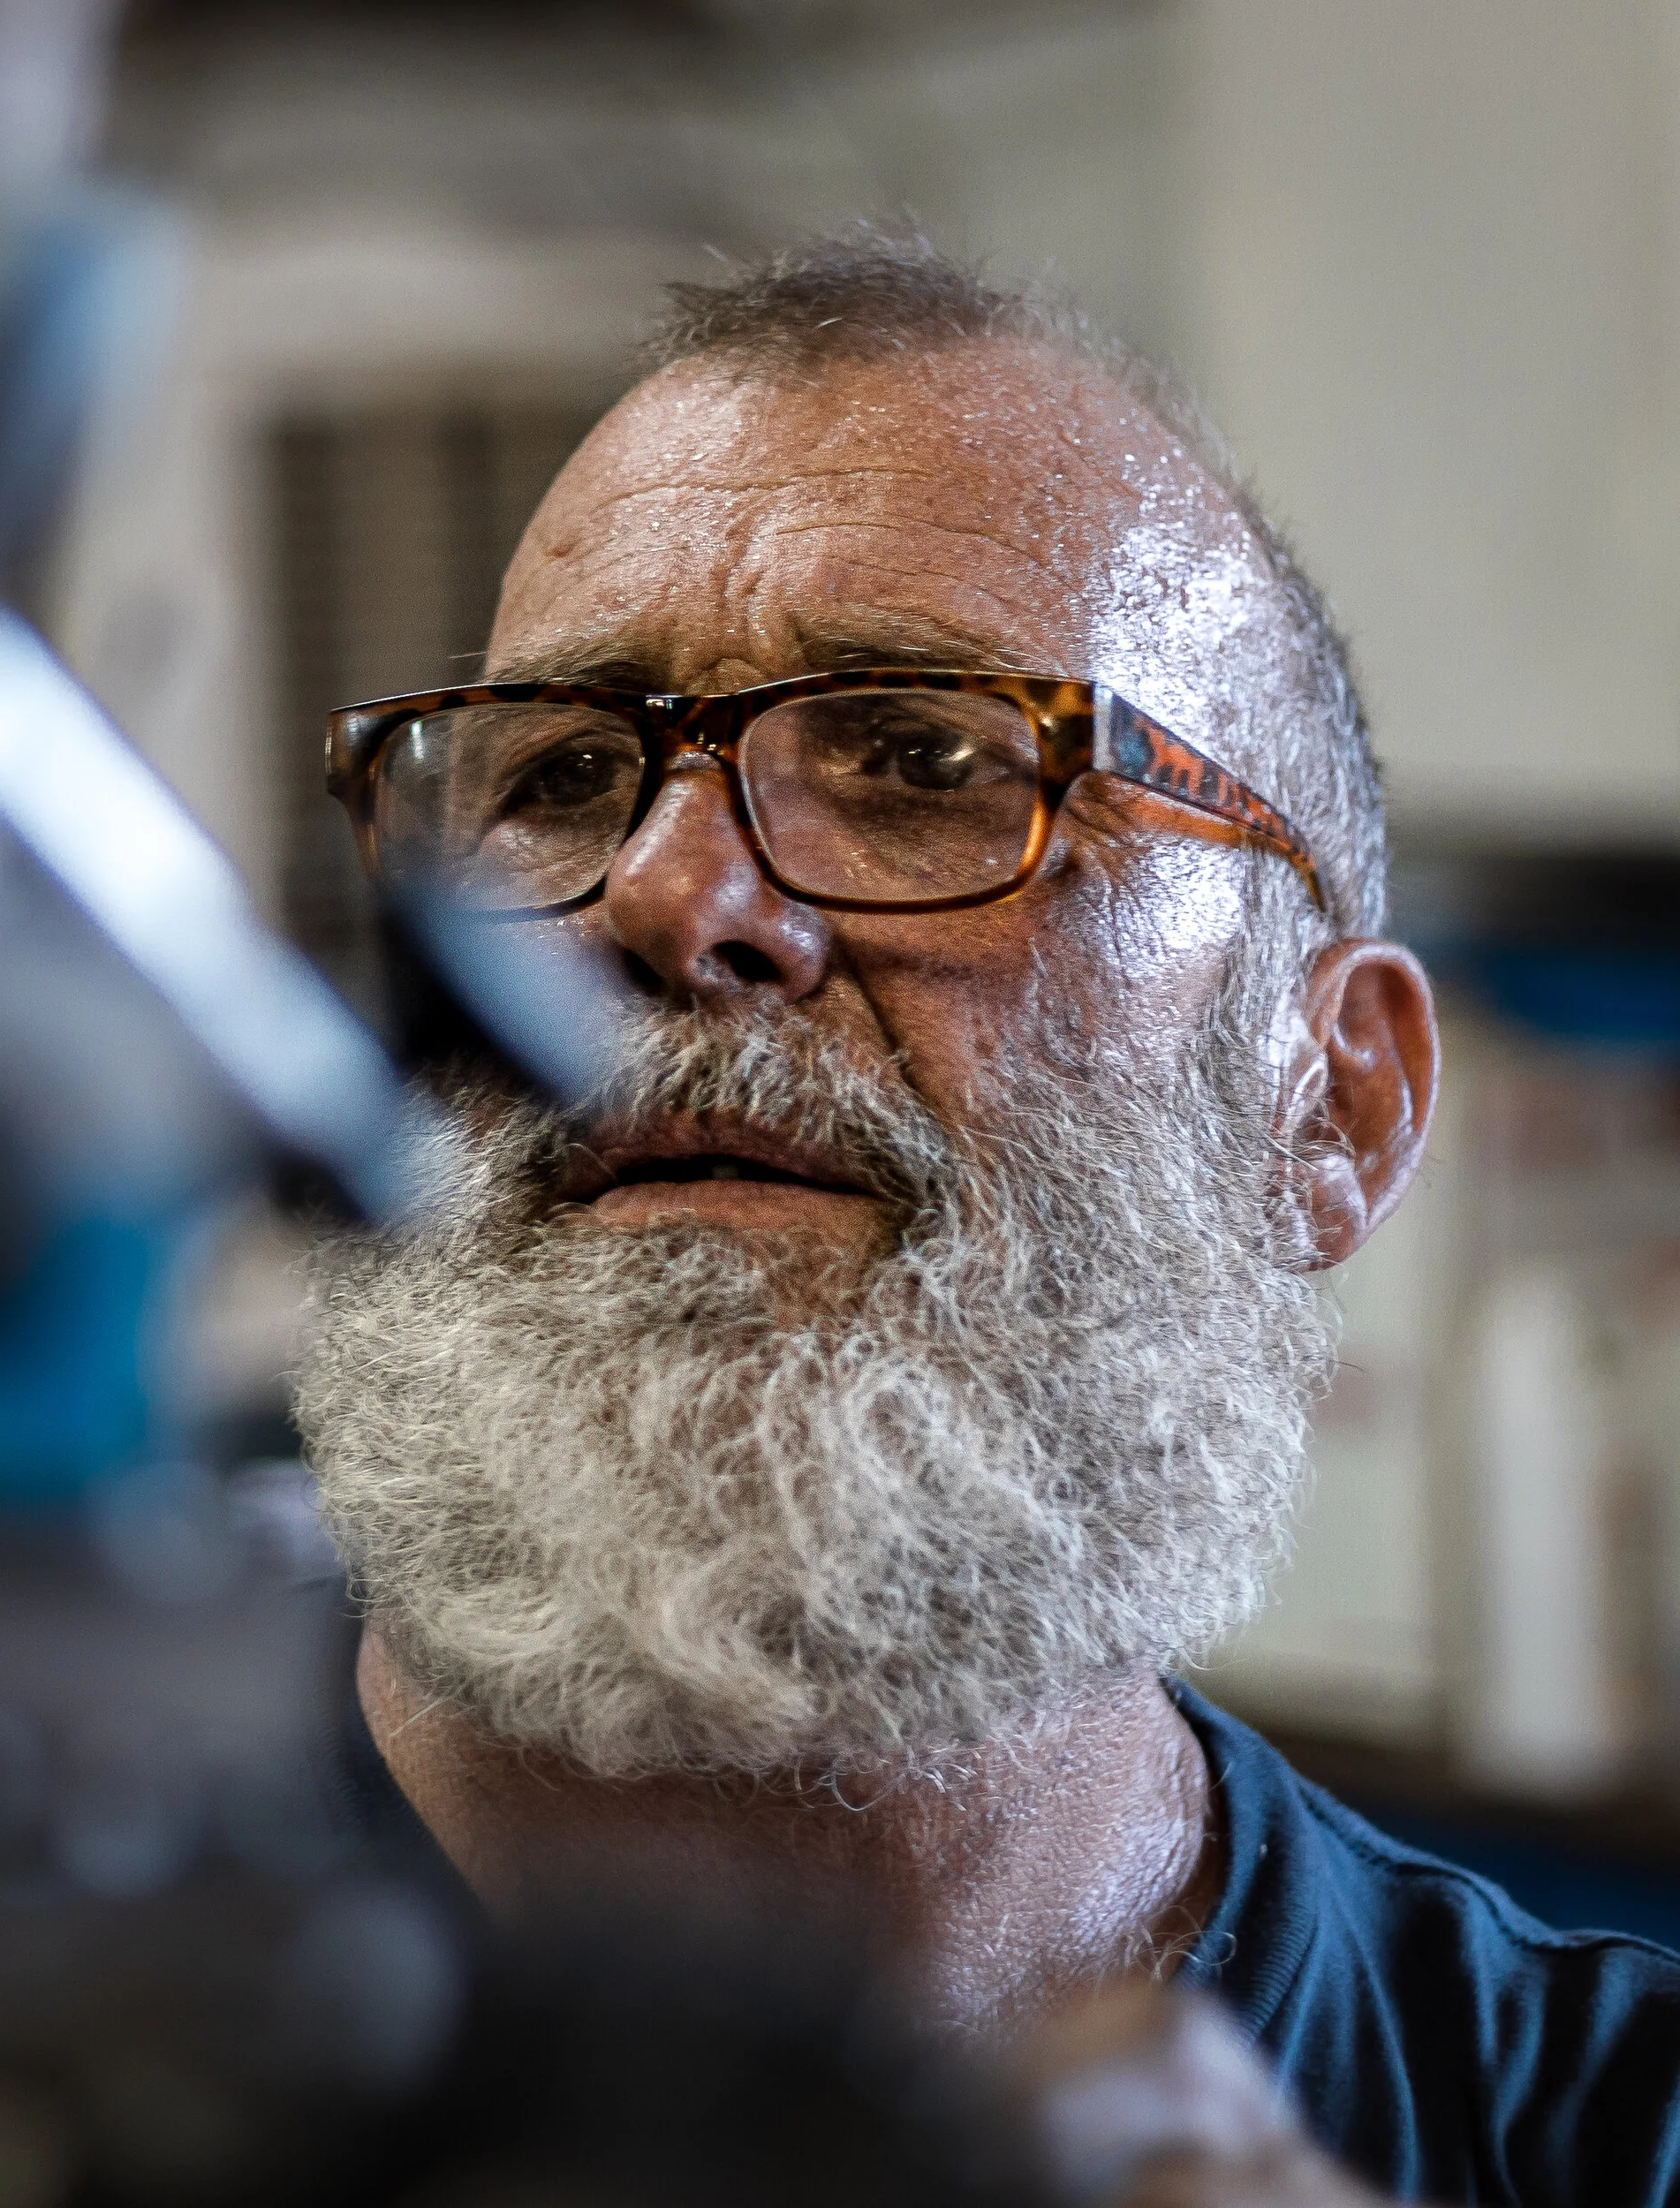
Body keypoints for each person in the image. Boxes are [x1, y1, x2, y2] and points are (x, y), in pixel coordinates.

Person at [297, 236, 1680, 2205]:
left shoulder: (1606, 2139)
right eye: (564, 773)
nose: (667, 900)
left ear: (1336, 1103)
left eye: (924, 760)